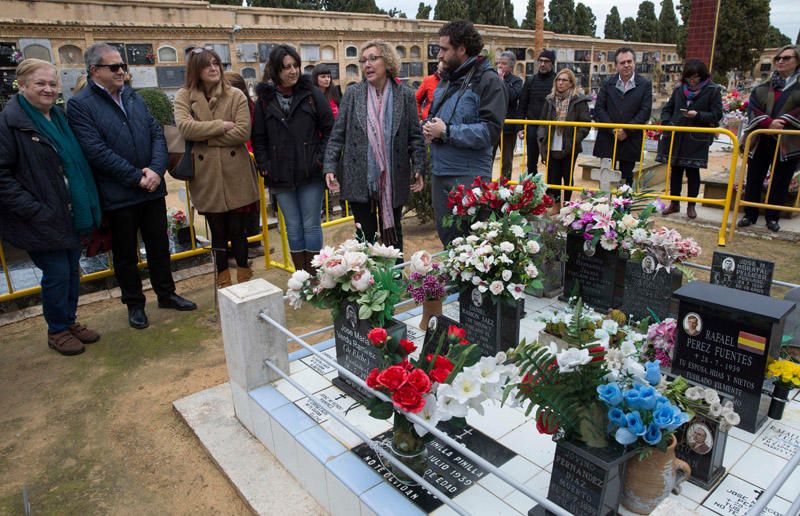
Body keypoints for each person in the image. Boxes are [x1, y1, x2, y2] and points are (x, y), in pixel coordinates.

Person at [68, 43, 196, 330]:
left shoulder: (133, 96)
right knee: (126, 253)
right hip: (120, 193)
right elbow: (95, 150)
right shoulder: (80, 105)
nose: (121, 72)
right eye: (114, 67)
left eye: (122, 66)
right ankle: (135, 304)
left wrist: (156, 169)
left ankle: (167, 293)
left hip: (152, 187)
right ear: (94, 70)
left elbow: (156, 133)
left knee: (159, 245)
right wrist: (137, 177)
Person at [0, 59, 102, 355]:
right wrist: (34, 209)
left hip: (68, 212)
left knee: (71, 270)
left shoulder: (57, 117)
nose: (48, 89)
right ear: (22, 85)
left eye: (52, 84)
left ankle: (68, 321)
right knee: (57, 273)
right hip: (41, 217)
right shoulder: (10, 123)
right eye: (40, 84)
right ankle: (57, 329)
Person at [323, 40, 425, 253]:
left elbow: (415, 136)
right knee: (365, 237)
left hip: (393, 177)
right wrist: (330, 166)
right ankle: (368, 283)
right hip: (360, 177)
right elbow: (337, 134)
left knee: (393, 235)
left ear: (387, 62)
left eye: (372, 58)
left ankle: (394, 280)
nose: (366, 64)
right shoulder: (353, 94)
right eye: (363, 60)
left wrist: (418, 167)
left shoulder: (404, 95)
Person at [174, 49, 260, 289]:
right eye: (207, 65)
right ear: (196, 71)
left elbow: (243, 132)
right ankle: (222, 280)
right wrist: (220, 126)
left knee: (239, 231)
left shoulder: (235, 95)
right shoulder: (184, 96)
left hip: (236, 173)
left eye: (216, 63)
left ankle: (244, 279)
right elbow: (184, 128)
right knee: (218, 232)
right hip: (206, 174)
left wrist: (205, 136)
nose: (213, 68)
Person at [423, 20, 507, 246]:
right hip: (441, 172)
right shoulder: (448, 79)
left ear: (461, 48)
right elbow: (438, 115)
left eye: (444, 49)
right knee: (448, 238)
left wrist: (447, 132)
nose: (439, 55)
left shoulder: (488, 81)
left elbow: (490, 131)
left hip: (468, 176)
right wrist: (429, 127)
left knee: (470, 244)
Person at [253, 45, 334, 273]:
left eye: (295, 66)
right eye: (286, 67)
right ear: (275, 71)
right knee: (293, 227)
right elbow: (258, 138)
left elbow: (329, 129)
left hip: (310, 172)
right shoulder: (264, 101)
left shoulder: (311, 94)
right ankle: (302, 277)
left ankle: (316, 277)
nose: (293, 71)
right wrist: (265, 166)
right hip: (280, 175)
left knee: (310, 225)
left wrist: (320, 159)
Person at [738, 44, 800, 233]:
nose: (781, 61)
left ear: (797, 62)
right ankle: (750, 214)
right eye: (778, 58)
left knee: (781, 179)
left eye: (786, 58)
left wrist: (783, 121)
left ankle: (772, 217)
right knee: (755, 176)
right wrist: (768, 123)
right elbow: (753, 108)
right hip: (762, 138)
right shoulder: (763, 87)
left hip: (788, 141)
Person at [657, 59, 723, 219]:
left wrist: (698, 115)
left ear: (702, 76)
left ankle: (691, 205)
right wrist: (668, 122)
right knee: (676, 170)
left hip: (696, 138)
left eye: (695, 78)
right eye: (689, 78)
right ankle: (675, 203)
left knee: (693, 172)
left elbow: (716, 114)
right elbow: (667, 109)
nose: (692, 82)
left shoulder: (713, 90)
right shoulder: (680, 89)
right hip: (677, 135)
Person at [593, 47, 653, 187]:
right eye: (622, 62)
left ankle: (624, 207)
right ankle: (604, 206)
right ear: (616, 65)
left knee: (626, 178)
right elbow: (599, 108)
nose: (626, 65)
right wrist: (613, 129)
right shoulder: (608, 83)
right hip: (608, 137)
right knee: (606, 176)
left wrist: (626, 130)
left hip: (630, 138)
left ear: (634, 63)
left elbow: (645, 111)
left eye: (629, 61)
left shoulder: (644, 84)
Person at [537, 68, 591, 204]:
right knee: (553, 176)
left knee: (567, 176)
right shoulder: (550, 100)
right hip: (552, 142)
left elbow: (585, 124)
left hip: (569, 144)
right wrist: (542, 137)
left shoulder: (578, 101)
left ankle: (567, 204)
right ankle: (555, 204)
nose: (560, 83)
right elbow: (542, 121)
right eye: (558, 80)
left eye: (564, 80)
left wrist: (575, 139)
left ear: (571, 83)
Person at [518, 49, 556, 174]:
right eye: (541, 61)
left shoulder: (557, 81)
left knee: (552, 162)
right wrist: (520, 127)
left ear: (552, 63)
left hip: (550, 127)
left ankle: (551, 192)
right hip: (533, 126)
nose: (543, 64)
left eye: (546, 61)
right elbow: (523, 104)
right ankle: (531, 190)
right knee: (531, 162)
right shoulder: (530, 81)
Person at [494, 51, 523, 179]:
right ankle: (484, 188)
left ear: (511, 67)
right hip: (492, 125)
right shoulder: (491, 78)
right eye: (499, 63)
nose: (500, 66)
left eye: (504, 64)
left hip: (508, 128)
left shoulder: (516, 81)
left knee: (506, 161)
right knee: (487, 158)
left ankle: (504, 189)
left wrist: (501, 81)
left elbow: (512, 96)